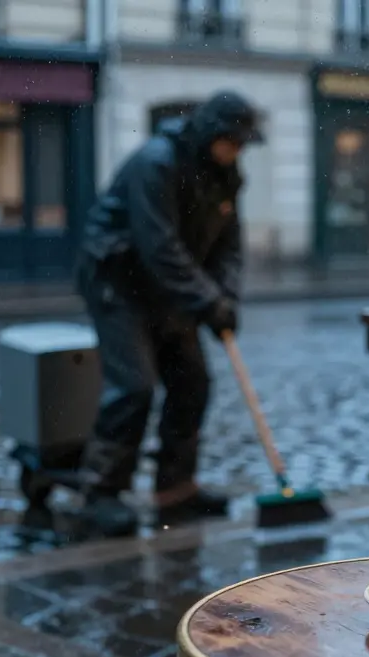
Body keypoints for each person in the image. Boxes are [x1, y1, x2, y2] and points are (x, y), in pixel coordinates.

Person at [74, 92, 263, 536]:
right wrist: (206, 300)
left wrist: (226, 298)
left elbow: (228, 244)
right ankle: (99, 492)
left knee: (192, 382)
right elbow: (159, 247)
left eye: (241, 144)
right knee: (134, 387)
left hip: (172, 292)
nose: (237, 151)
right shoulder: (155, 163)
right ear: (211, 133)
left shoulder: (225, 174)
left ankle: (176, 488)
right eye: (232, 141)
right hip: (119, 283)